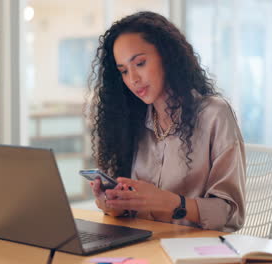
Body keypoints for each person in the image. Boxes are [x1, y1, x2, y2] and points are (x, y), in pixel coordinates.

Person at [87, 11, 245, 232]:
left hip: (196, 250)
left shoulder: (214, 114)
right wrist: (113, 204)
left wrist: (170, 202)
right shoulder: (133, 122)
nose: (133, 79)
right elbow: (132, 209)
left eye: (140, 63)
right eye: (123, 71)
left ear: (167, 56)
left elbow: (231, 214)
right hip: (144, 246)